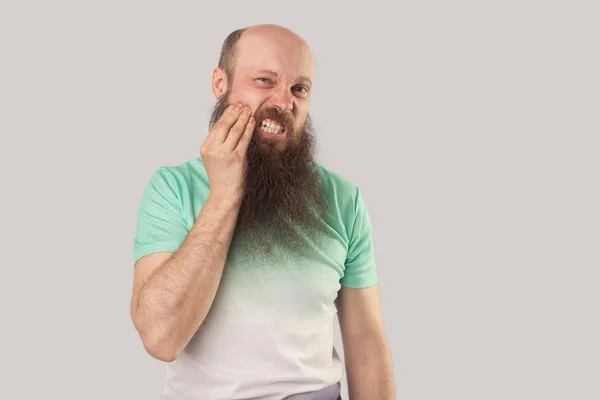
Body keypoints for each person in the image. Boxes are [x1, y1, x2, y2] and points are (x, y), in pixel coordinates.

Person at [130, 24, 396, 400]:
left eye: (298, 88)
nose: (283, 101)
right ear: (220, 83)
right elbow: (160, 338)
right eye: (264, 80)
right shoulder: (172, 189)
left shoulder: (343, 198)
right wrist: (224, 195)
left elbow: (367, 344)